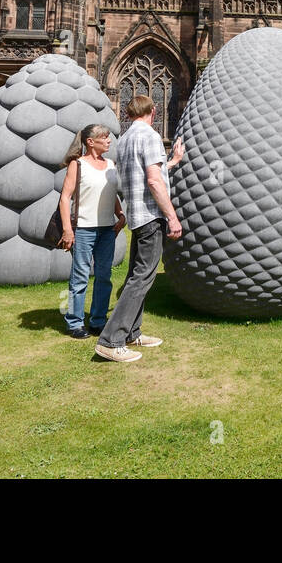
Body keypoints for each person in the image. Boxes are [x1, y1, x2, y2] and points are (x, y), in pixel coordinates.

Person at [97, 95, 185, 363]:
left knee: (137, 274)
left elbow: (143, 174)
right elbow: (154, 182)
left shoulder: (124, 139)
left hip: (137, 215)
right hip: (151, 216)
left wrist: (171, 162)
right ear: (154, 110)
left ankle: (132, 332)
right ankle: (111, 340)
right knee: (142, 277)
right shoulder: (151, 136)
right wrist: (172, 216)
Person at [58, 123, 125, 340]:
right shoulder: (77, 165)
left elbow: (110, 192)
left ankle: (97, 321)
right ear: (90, 142)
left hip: (107, 230)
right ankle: (75, 323)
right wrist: (68, 230)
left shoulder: (110, 165)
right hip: (84, 229)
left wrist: (120, 214)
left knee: (104, 276)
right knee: (80, 278)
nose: (109, 141)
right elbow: (65, 197)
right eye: (104, 138)